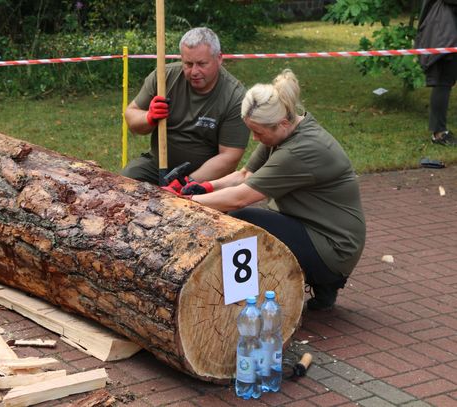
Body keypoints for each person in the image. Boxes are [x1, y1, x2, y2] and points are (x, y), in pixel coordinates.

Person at [182, 69, 366, 311]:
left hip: (334, 247)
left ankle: (241, 302)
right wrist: (204, 187)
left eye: (258, 132)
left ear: (282, 123)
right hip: (317, 230)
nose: (254, 138)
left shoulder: (299, 151)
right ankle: (320, 284)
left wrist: (189, 201)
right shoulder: (286, 132)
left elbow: (240, 198)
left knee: (240, 221)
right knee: (247, 219)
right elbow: (245, 174)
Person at [122, 27, 250, 188]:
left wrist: (185, 183)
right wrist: (149, 117)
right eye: (188, 64)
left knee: (199, 209)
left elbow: (229, 158)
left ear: (219, 58)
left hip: (205, 176)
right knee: (125, 183)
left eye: (202, 64)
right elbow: (131, 116)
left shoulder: (235, 97)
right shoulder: (164, 77)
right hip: (158, 165)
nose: (194, 71)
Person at [415, 0, 457, 146]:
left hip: (448, 28)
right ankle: (439, 133)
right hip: (444, 31)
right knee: (443, 81)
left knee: (445, 80)